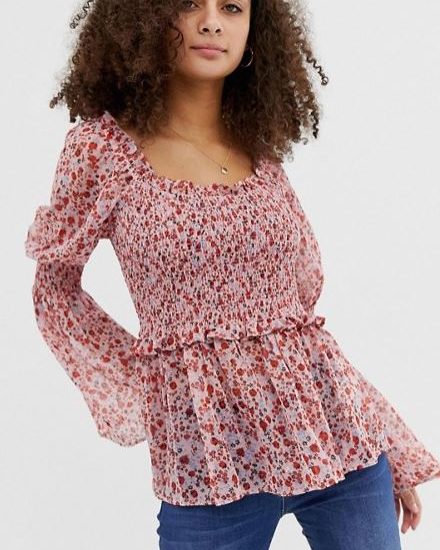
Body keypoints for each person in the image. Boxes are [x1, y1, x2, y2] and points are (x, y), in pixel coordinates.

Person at [24, 1, 440, 548]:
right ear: (144, 18)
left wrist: (393, 445)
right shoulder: (102, 151)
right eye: (189, 4)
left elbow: (301, 334)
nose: (212, 22)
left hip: (342, 455)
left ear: (254, 29)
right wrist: (144, 381)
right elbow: (55, 289)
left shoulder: (258, 153)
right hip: (211, 473)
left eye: (232, 7)